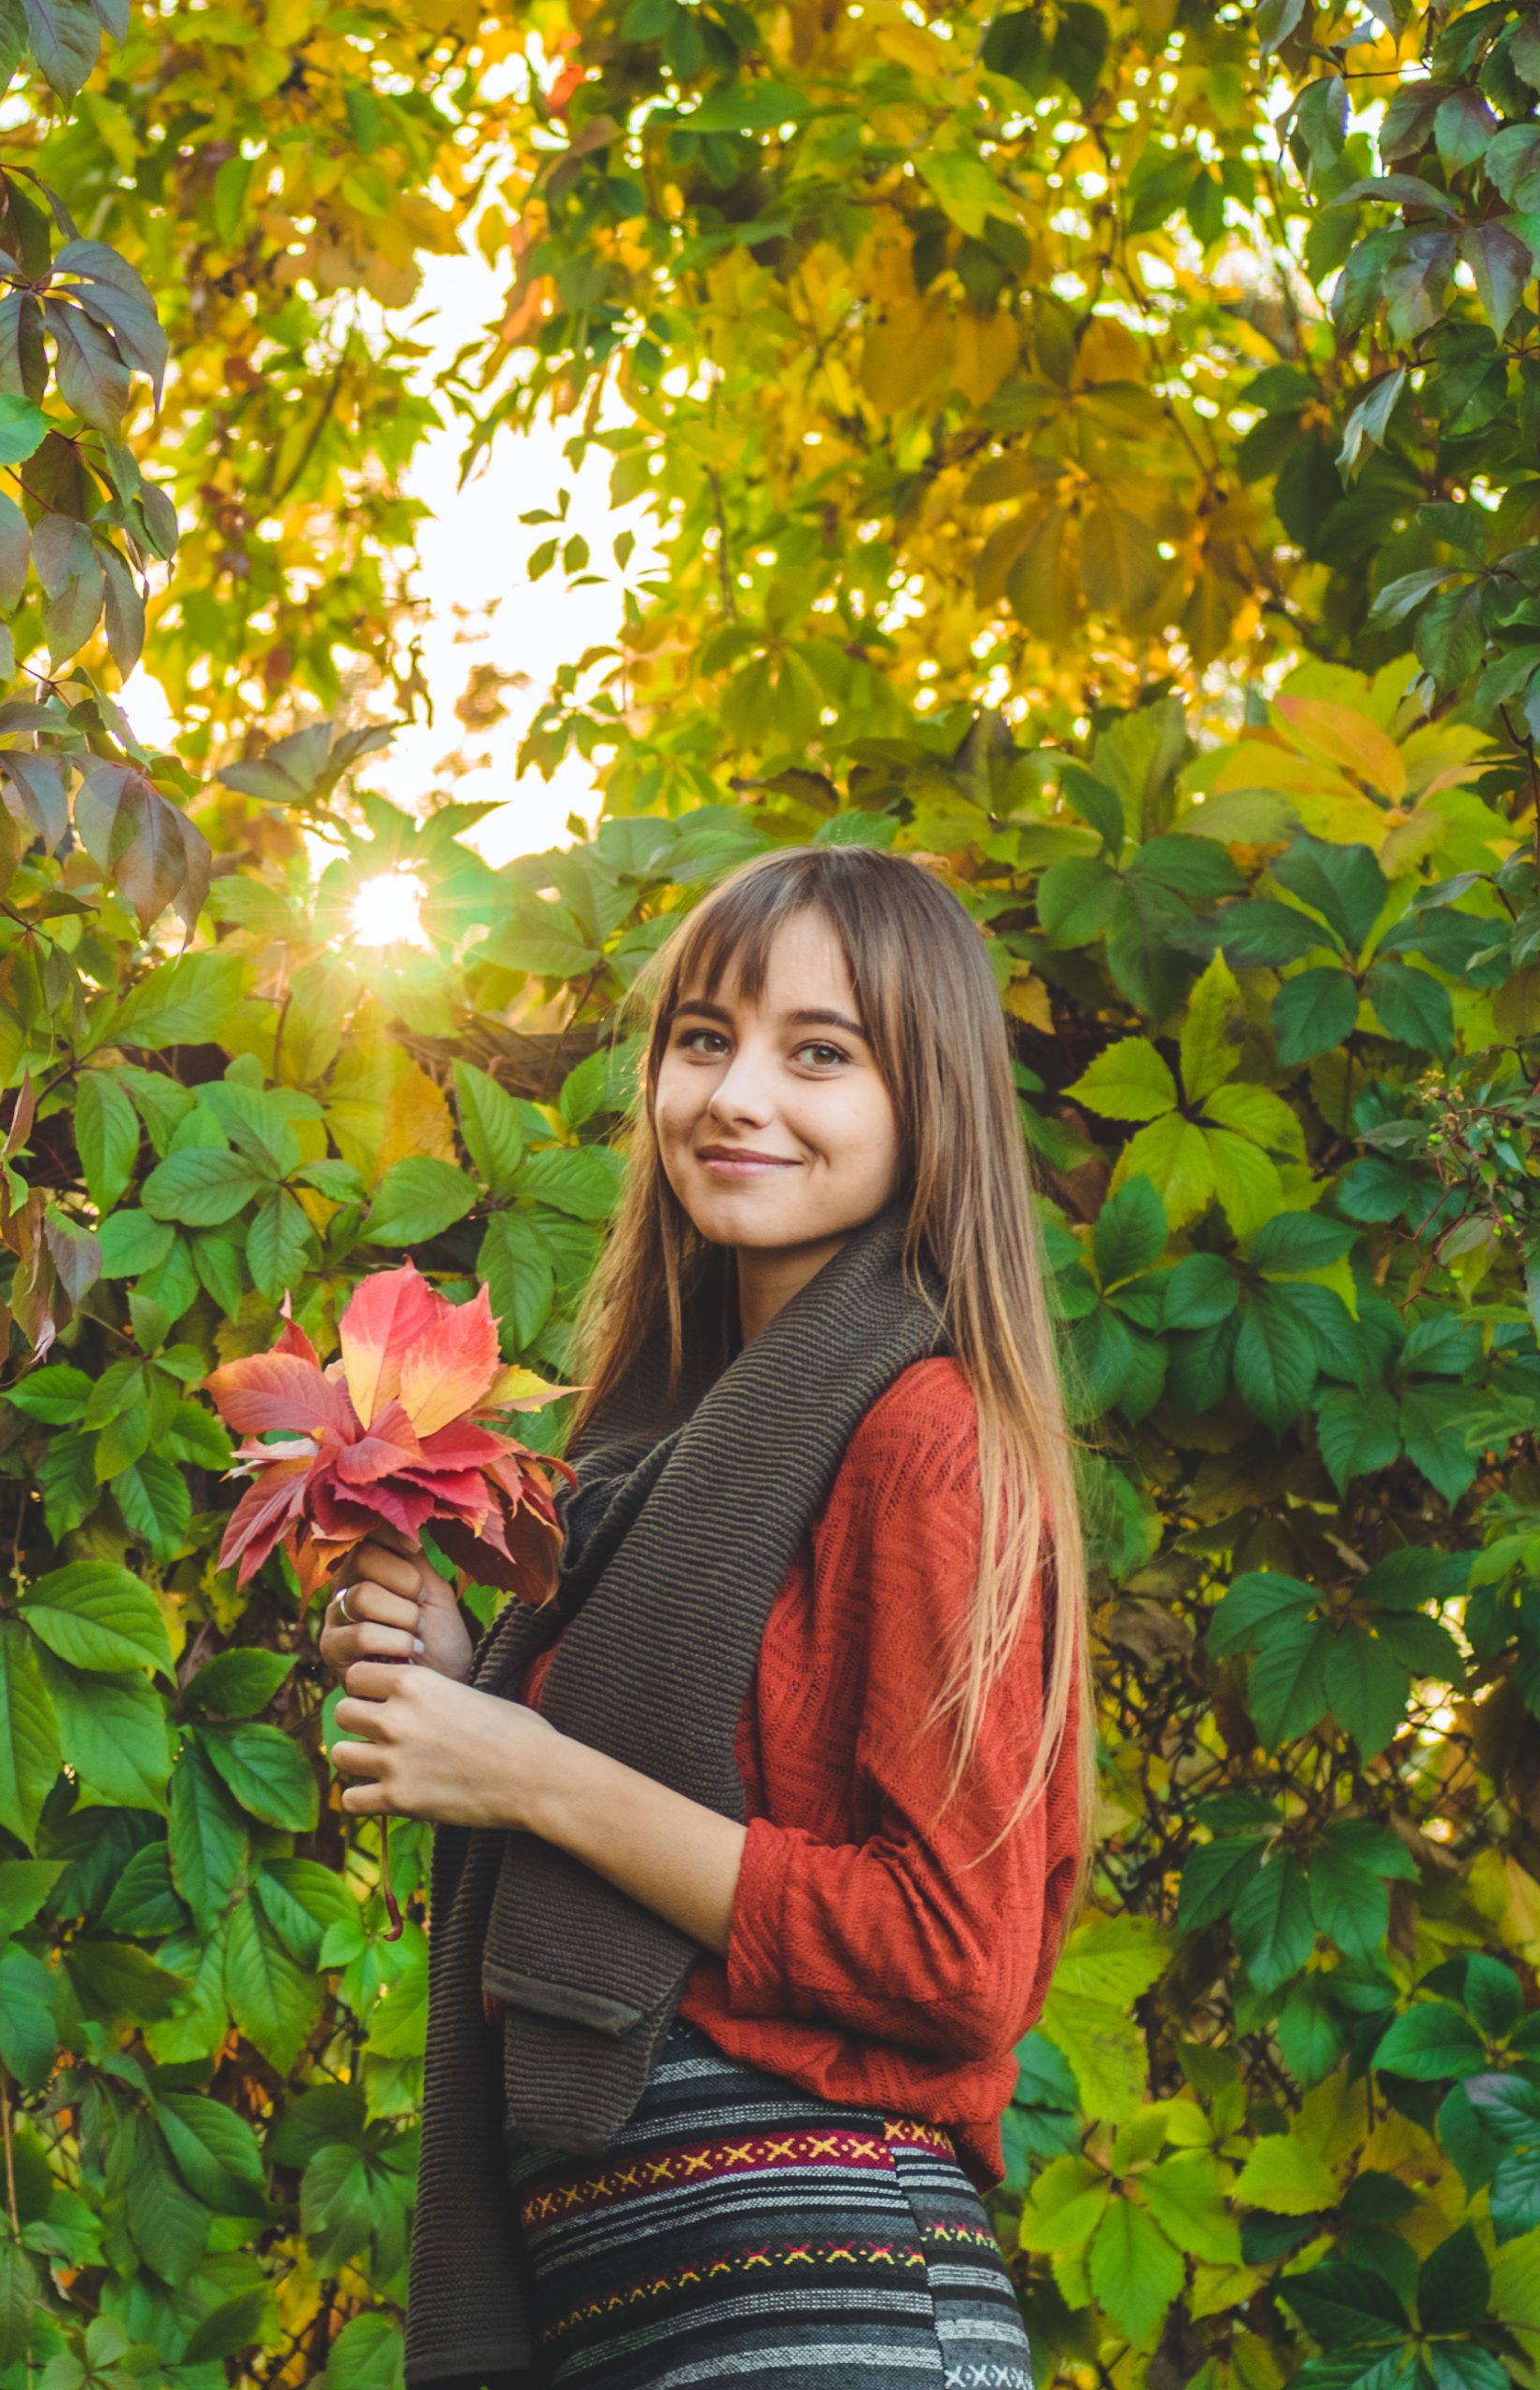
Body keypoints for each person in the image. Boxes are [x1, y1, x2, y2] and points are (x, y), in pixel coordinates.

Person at [315, 845, 1093, 2389]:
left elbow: (955, 1956)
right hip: (642, 2301)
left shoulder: (927, 1436)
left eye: (821, 1053)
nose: (738, 1095)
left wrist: (524, 1769)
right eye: (703, 1039)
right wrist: (465, 1689)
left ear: (923, 1096)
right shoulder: (641, 1466)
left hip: (836, 2296)